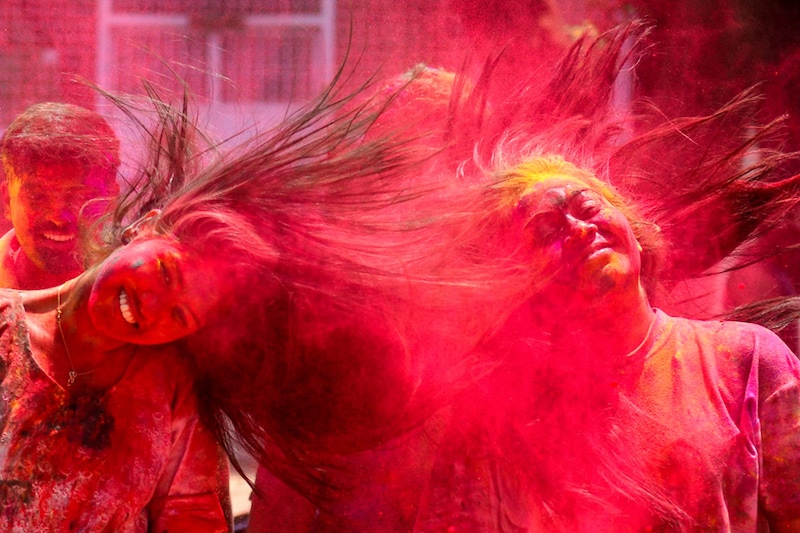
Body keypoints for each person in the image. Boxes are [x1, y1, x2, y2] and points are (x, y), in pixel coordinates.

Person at [0, 102, 121, 290]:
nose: (57, 218)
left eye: (80, 197)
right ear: (7, 200)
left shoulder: (142, 290)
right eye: (37, 197)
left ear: (111, 201)